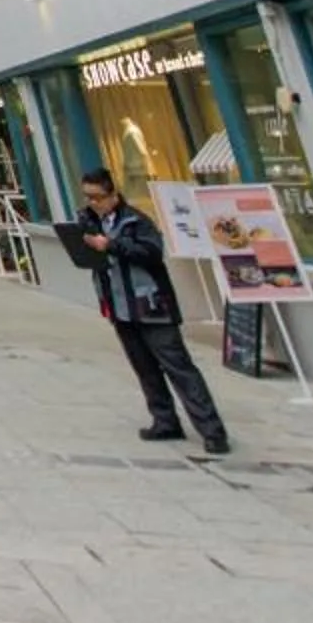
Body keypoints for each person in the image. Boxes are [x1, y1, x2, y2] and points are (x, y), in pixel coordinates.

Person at [78, 167, 230, 455]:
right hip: (121, 306)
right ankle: (165, 420)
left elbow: (151, 253)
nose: (92, 203)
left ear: (112, 194)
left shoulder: (137, 221)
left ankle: (212, 430)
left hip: (152, 306)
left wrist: (110, 245)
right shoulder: (91, 222)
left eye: (97, 197)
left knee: (178, 367)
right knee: (145, 367)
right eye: (87, 197)